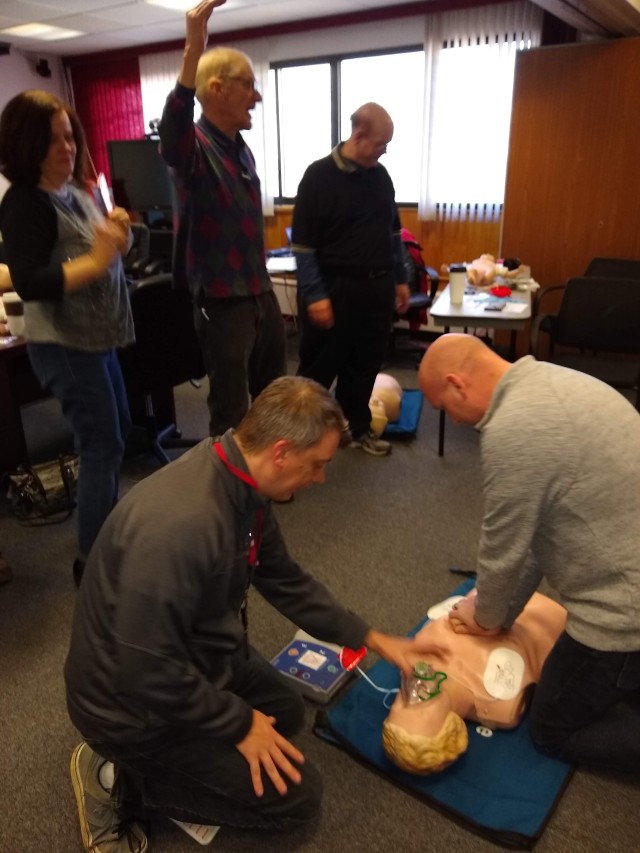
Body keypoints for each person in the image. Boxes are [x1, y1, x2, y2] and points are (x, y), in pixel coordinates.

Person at [65, 376, 434, 852]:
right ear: (281, 452)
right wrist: (237, 723)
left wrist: (373, 638)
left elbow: (286, 581)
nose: (321, 478)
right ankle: (123, 778)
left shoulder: (241, 482)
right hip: (130, 706)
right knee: (298, 803)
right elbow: (143, 669)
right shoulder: (181, 526)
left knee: (283, 712)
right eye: (316, 465)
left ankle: (180, 754)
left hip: (190, 656)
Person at [418, 333, 640, 774]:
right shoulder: (556, 380)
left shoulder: (513, 431)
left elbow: (503, 548)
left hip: (624, 611)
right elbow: (537, 537)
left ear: (457, 384)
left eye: (444, 408)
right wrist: (497, 614)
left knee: (552, 730)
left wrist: (483, 617)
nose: (454, 422)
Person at [0, 90, 134, 588]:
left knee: (115, 432)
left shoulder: (74, 191)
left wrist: (120, 234)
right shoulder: (24, 203)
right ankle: (93, 562)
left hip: (97, 337)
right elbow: (31, 281)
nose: (68, 147)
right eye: (54, 139)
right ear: (26, 144)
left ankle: (107, 533)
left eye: (70, 136)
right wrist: (98, 259)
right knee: (101, 443)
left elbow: (106, 249)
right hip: (64, 345)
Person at [159, 0, 286, 437]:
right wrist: (193, 50)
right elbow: (172, 133)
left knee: (273, 395)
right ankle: (228, 494)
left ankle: (268, 474)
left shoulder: (240, 148)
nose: (258, 95)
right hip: (221, 300)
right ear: (215, 88)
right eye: (248, 85)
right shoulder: (192, 147)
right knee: (231, 409)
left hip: (257, 292)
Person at [292, 102, 410, 457]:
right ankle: (299, 436)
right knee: (317, 370)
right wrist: (314, 294)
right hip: (333, 289)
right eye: (380, 143)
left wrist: (401, 280)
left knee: (364, 366)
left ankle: (357, 430)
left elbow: (393, 234)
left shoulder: (381, 176)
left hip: (376, 288)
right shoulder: (318, 177)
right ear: (358, 135)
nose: (385, 151)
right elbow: (303, 245)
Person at [382, 590, 567, 774]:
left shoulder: (412, 658)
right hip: (551, 617)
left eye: (400, 704)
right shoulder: (500, 704)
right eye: (419, 712)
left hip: (495, 590)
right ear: (451, 726)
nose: (414, 694)